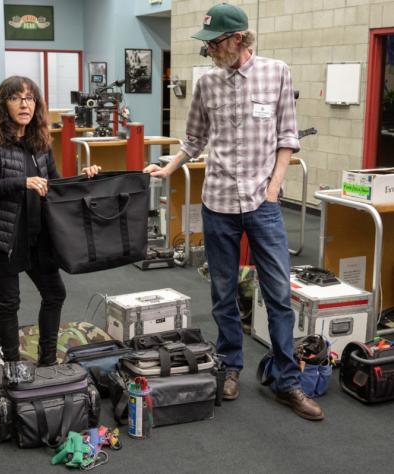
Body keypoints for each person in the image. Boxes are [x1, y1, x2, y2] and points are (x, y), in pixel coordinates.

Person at [144, 3, 324, 421]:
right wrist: (168, 165)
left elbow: (287, 136)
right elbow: (193, 138)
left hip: (263, 204)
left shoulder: (277, 72)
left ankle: (287, 382)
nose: (208, 52)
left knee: (278, 294)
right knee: (222, 294)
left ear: (239, 38)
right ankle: (230, 366)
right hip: (218, 203)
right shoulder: (206, 83)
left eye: (214, 43)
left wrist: (275, 187)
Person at [0, 76, 100, 365]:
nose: (24, 104)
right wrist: (21, 182)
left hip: (36, 235)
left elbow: (54, 186)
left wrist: (84, 177)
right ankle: (13, 366)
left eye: (29, 98)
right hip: (1, 238)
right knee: (9, 304)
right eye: (16, 98)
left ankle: (48, 361)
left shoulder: (40, 141)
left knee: (55, 294)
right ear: (4, 104)